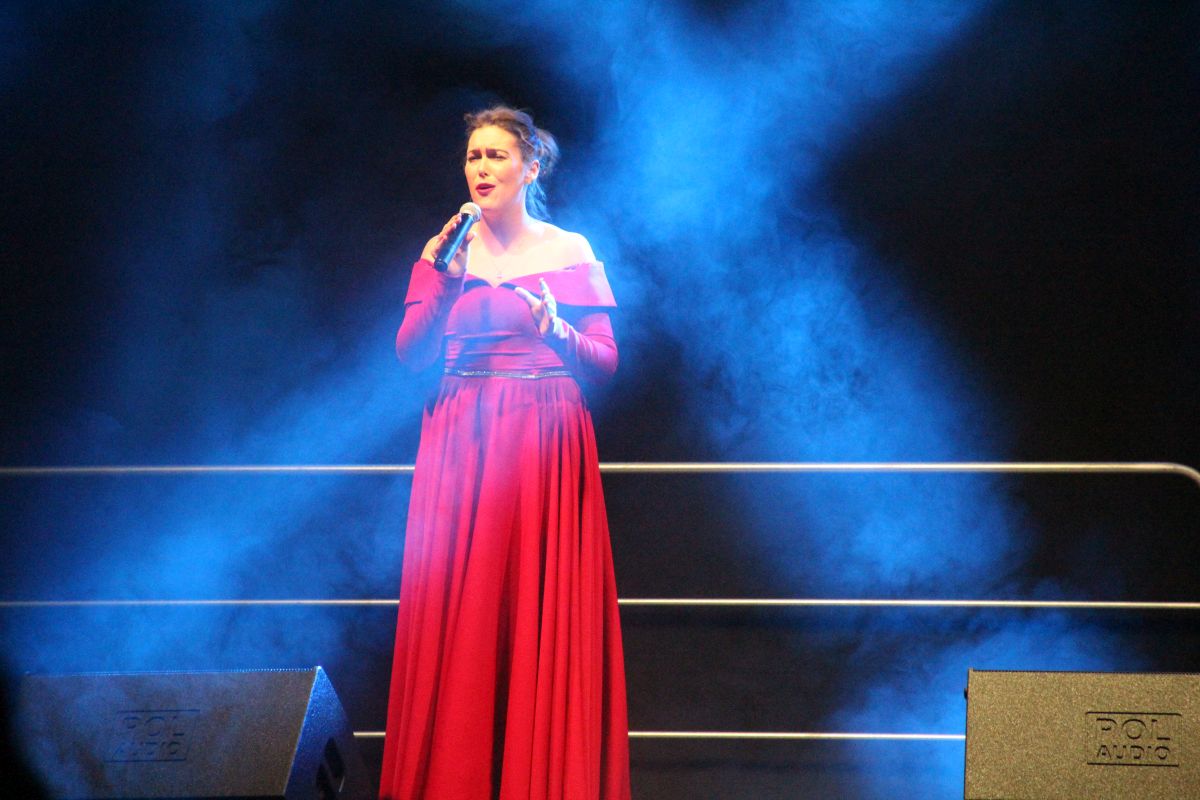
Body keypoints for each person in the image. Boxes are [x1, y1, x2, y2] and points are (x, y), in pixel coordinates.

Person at [380, 106, 631, 800]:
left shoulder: (569, 249)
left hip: (543, 436)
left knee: (536, 610)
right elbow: (410, 355)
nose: (482, 168)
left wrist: (556, 330)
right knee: (463, 614)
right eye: (473, 157)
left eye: (496, 155)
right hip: (461, 440)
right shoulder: (444, 250)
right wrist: (442, 275)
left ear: (531, 167)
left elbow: (606, 362)